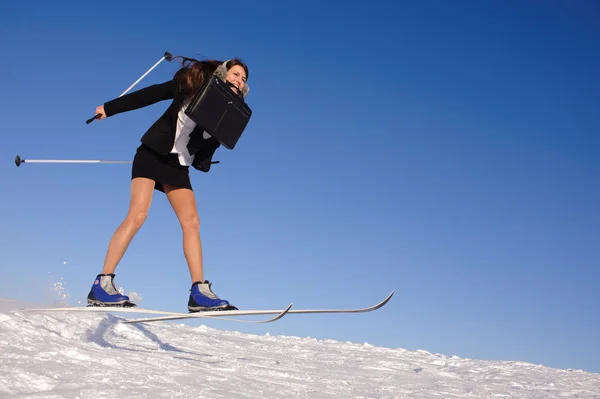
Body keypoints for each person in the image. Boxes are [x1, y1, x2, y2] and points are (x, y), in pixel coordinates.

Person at [86, 55, 250, 312]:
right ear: (223, 72)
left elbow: (204, 156)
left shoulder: (225, 114)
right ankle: (102, 285)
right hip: (153, 152)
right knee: (138, 215)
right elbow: (151, 94)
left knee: (192, 222)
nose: (239, 80)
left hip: (177, 164)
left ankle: (199, 292)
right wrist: (109, 108)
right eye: (236, 74)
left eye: (243, 79)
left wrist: (210, 136)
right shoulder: (192, 84)